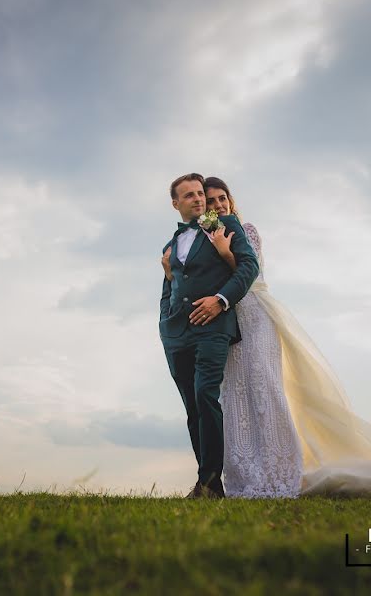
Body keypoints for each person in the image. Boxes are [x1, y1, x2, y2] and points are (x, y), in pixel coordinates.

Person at [164, 176, 371, 500]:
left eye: (221, 199)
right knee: (236, 398)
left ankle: (276, 472)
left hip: (254, 313)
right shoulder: (205, 233)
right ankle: (241, 475)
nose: (216, 205)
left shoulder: (241, 229)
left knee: (265, 391)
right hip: (226, 322)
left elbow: (247, 267)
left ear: (231, 201)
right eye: (210, 201)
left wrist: (225, 254)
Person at [159, 173, 260, 499]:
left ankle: (211, 482)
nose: (198, 199)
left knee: (206, 395)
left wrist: (221, 300)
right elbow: (169, 287)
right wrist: (164, 323)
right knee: (192, 407)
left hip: (213, 328)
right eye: (188, 195)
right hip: (176, 334)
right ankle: (206, 484)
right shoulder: (170, 245)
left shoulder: (225, 225)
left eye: (200, 193)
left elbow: (248, 266)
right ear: (176, 204)